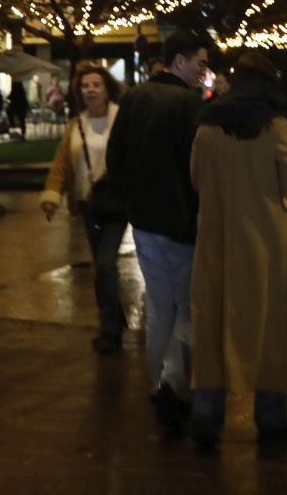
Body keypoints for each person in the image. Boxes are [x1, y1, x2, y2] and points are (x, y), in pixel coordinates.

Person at [187, 52, 287, 453]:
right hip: (265, 243)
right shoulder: (273, 125)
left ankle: (206, 417)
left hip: (217, 239)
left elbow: (196, 178)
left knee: (214, 325)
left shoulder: (207, 127)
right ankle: (272, 421)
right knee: (270, 327)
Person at [105, 31, 208, 435]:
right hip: (181, 223)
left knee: (160, 305)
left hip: (145, 221)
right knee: (184, 305)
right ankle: (175, 383)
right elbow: (196, 168)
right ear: (178, 62)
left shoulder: (134, 98)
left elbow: (117, 155)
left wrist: (131, 201)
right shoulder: (189, 105)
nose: (203, 71)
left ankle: (158, 381)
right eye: (198, 62)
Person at [39, 64, 129, 354]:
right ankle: (116, 316)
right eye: (85, 86)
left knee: (104, 266)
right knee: (102, 269)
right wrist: (52, 195)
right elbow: (61, 165)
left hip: (117, 205)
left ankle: (110, 331)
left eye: (96, 85)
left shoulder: (122, 121)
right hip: (89, 206)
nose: (90, 89)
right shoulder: (75, 125)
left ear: (107, 89)